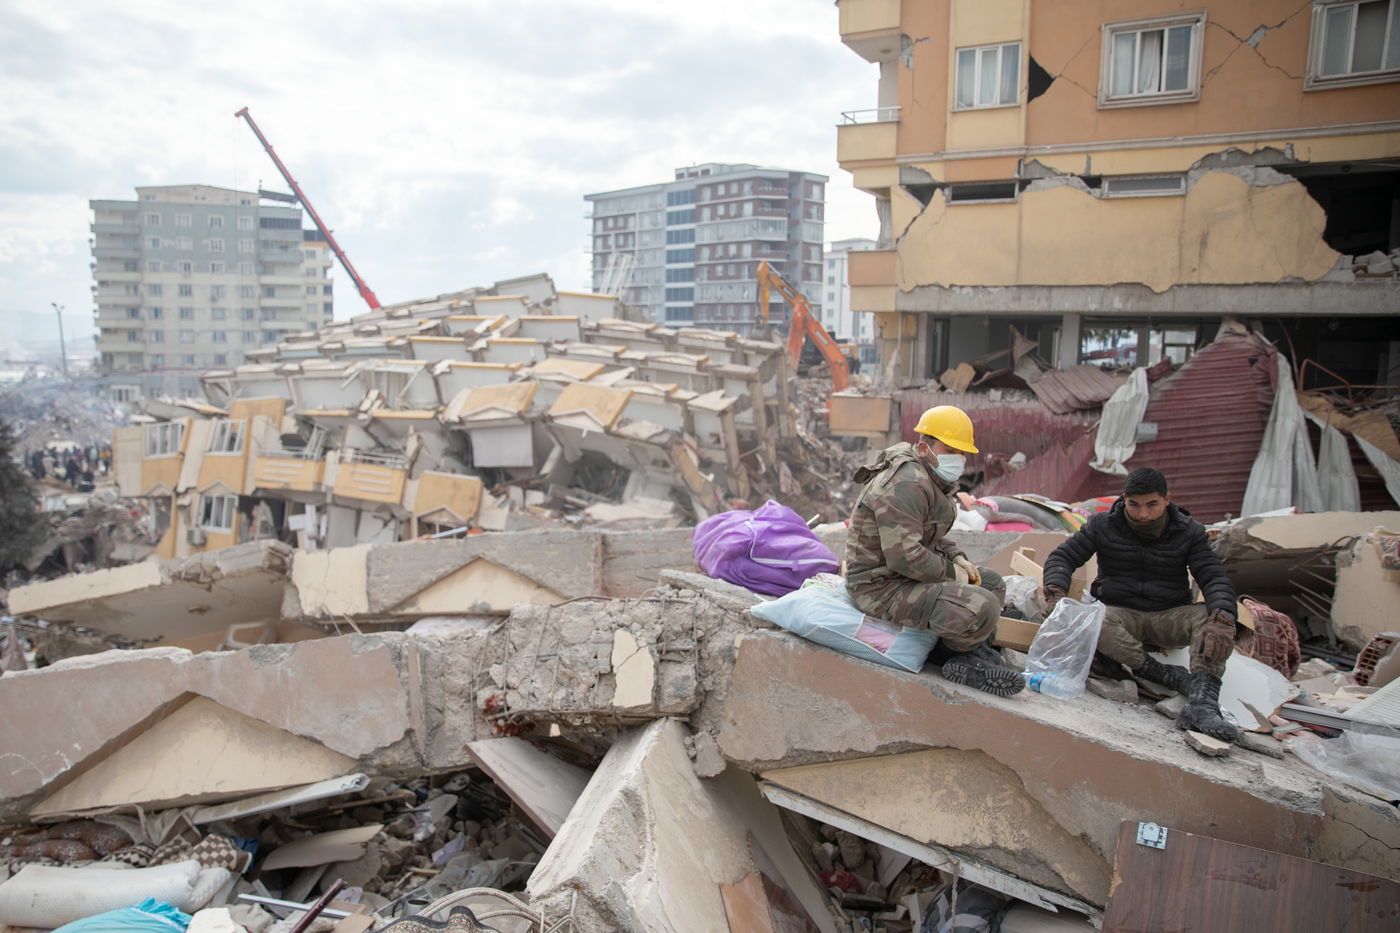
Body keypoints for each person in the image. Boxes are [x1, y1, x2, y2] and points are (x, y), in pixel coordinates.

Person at [1041, 467, 1244, 742]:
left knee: (1215, 618)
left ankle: (1203, 703)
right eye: (1134, 505)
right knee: (1093, 619)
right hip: (1119, 614)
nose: (1143, 514)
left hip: (1169, 614)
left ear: (1167, 499)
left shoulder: (1189, 532)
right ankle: (1161, 674)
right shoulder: (1102, 525)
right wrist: (1055, 592)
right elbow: (1062, 558)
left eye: (1152, 505)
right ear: (1124, 499)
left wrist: (1223, 615)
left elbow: (1213, 576)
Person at [845, 405, 1025, 696]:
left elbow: (928, 533)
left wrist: (956, 558)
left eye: (962, 452)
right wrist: (953, 574)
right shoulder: (906, 483)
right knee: (983, 606)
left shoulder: (926, 478)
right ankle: (956, 657)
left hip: (900, 576)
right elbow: (906, 557)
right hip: (879, 587)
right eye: (949, 448)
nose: (958, 458)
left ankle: (967, 648)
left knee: (990, 582)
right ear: (924, 447)